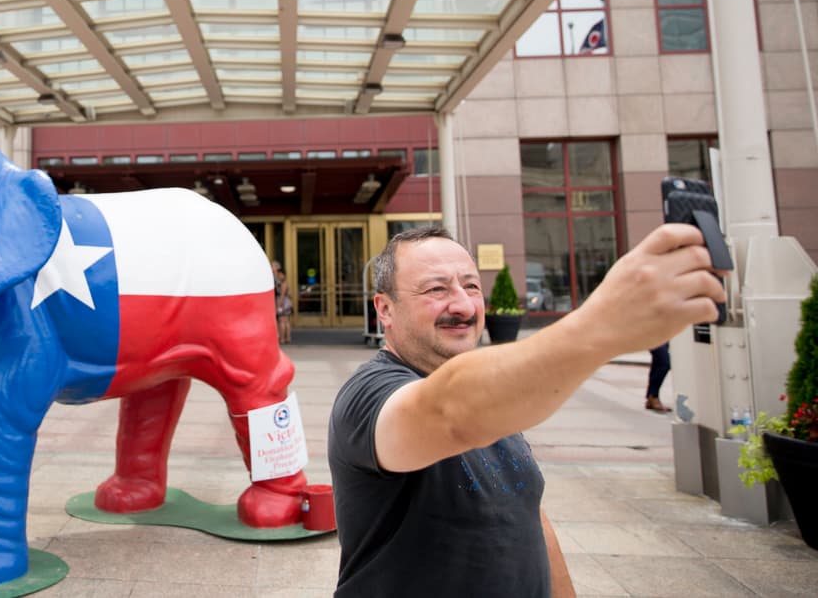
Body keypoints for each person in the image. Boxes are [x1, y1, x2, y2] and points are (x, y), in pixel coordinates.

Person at [328, 225, 725, 597]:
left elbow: (526, 511)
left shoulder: (494, 394)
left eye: (471, 286)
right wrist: (602, 324)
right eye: (436, 289)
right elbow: (450, 413)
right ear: (385, 309)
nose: (464, 305)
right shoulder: (367, 396)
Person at [646, 342, 673, 412]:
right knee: (665, 363)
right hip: (652, 335)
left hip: (663, 335)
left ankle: (651, 397)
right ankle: (653, 396)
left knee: (658, 362)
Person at [273, 260, 293, 345]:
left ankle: (282, 338)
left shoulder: (283, 284)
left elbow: (282, 295)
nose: (279, 275)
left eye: (280, 274)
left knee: (282, 321)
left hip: (283, 303)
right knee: (286, 321)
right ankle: (287, 338)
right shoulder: (282, 283)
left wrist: (279, 305)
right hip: (286, 303)